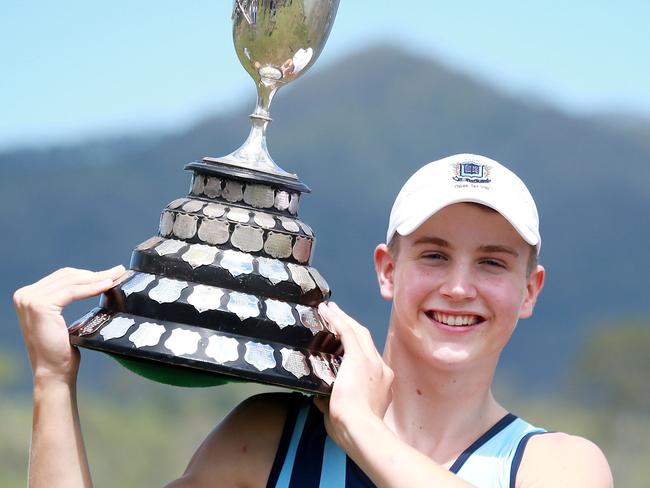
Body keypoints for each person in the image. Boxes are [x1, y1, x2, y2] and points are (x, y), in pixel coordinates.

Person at [15, 154, 613, 487]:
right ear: (387, 271)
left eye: (492, 263)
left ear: (529, 290)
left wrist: (362, 431)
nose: (459, 287)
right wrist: (51, 379)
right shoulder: (276, 439)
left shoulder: (557, 465)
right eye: (433, 254)